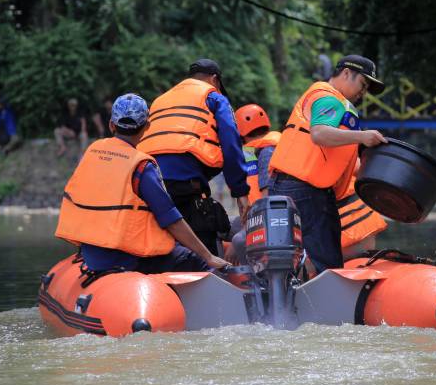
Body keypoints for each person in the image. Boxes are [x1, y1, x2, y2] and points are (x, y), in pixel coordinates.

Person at [55, 93, 229, 274]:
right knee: (195, 260)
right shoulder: (141, 166)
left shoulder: (92, 152)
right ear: (147, 126)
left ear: (111, 125)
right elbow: (172, 221)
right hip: (127, 258)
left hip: (91, 253)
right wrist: (208, 256)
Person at [269, 55, 386, 274]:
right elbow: (319, 134)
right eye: (363, 84)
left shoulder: (330, 101)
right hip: (305, 190)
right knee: (326, 261)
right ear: (346, 73)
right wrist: (363, 137)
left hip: (291, 186)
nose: (364, 92)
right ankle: (324, 295)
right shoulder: (328, 98)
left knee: (301, 257)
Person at [138, 58, 250, 256]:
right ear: (214, 79)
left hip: (148, 180)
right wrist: (240, 192)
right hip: (187, 185)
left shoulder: (159, 100)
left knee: (162, 245)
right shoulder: (214, 97)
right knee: (203, 241)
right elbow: (231, 143)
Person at [228, 103, 282, 264]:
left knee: (238, 240)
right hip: (257, 217)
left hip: (268, 220)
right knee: (219, 226)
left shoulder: (266, 152)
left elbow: (267, 201)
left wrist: (244, 232)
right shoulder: (258, 150)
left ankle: (252, 276)